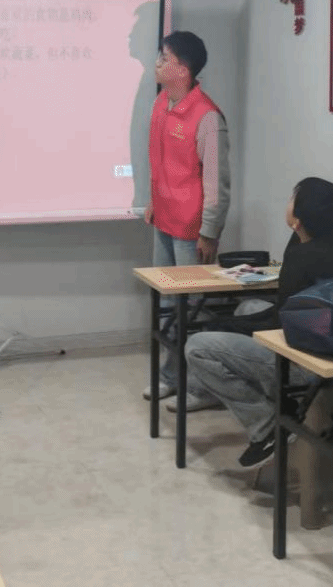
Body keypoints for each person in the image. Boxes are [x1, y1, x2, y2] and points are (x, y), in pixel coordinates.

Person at [183, 178, 333, 468]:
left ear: (299, 219)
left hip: (308, 364)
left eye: (292, 199)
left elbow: (282, 324)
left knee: (198, 346)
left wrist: (227, 325)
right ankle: (281, 404)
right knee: (248, 306)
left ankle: (266, 426)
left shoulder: (303, 257)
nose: (287, 203)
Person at [142, 30, 229, 401]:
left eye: (165, 58)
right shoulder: (161, 102)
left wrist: (209, 232)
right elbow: (159, 162)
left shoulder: (207, 117)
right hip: (164, 218)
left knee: (191, 308)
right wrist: (152, 201)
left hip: (191, 229)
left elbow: (217, 182)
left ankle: (201, 385)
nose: (157, 64)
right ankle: (172, 377)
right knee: (167, 303)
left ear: (183, 69)